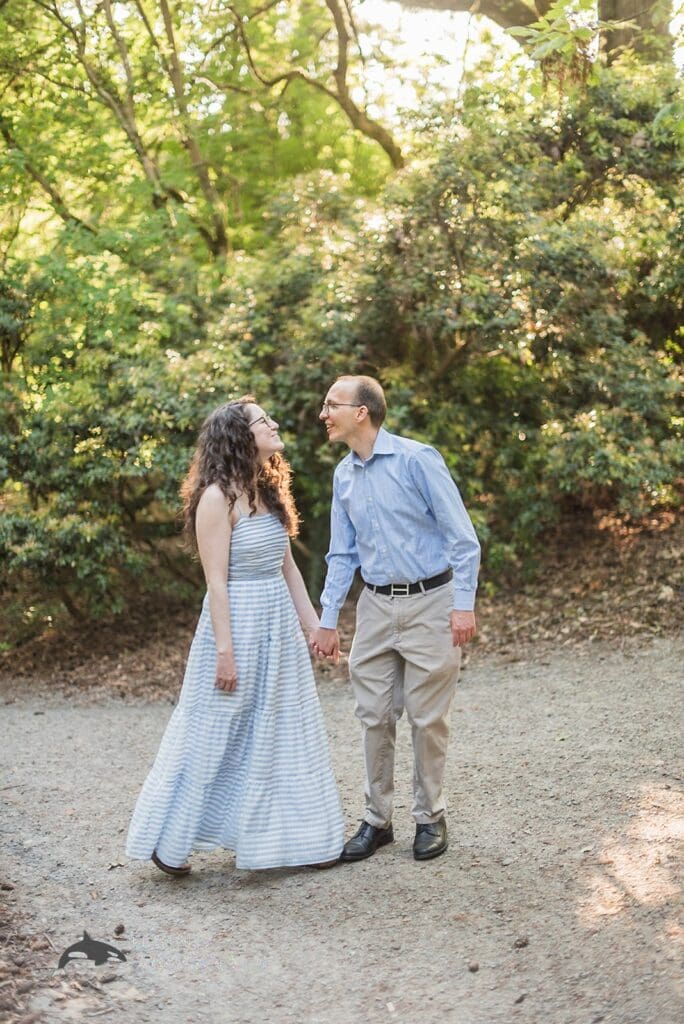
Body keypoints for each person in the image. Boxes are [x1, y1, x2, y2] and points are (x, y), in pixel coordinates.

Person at [126, 398, 344, 875]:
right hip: (235, 626)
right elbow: (216, 582)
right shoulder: (215, 498)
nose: (275, 423)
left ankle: (299, 840)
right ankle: (170, 842)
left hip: (277, 627)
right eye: (264, 420)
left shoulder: (269, 491)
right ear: (241, 436)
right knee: (214, 731)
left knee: (282, 730)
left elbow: (288, 570)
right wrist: (225, 653)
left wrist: (314, 627)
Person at [311, 376, 480, 862]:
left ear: (361, 412)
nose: (324, 414)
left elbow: (462, 538)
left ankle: (430, 817)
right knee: (374, 716)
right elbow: (341, 554)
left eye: (332, 405)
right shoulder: (343, 476)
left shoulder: (417, 460)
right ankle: (377, 820)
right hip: (375, 607)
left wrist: (463, 604)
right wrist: (328, 619)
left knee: (428, 719)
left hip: (431, 601)